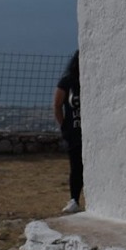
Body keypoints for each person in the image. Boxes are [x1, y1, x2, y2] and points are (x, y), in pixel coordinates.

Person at [53, 50, 82, 214]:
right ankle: (74, 199)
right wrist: (64, 126)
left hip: (89, 132)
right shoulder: (67, 81)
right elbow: (57, 105)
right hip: (74, 131)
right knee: (76, 166)